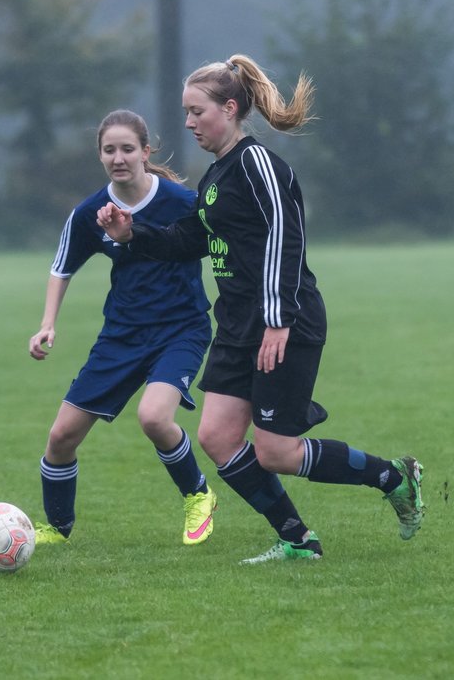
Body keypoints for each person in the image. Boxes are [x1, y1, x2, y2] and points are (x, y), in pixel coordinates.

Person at [97, 54, 425, 564]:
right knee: (217, 436)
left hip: (284, 322)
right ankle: (297, 538)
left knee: (277, 452)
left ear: (230, 109)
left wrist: (278, 318)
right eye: (185, 112)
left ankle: (393, 477)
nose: (188, 123)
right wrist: (131, 234)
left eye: (196, 111)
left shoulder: (258, 165)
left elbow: (286, 238)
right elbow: (191, 240)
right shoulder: (216, 176)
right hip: (238, 325)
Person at [29, 109, 217, 547]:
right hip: (123, 335)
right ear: (100, 155)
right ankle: (57, 528)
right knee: (61, 437)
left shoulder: (181, 202)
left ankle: (199, 495)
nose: (119, 157)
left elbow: (218, 245)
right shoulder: (91, 212)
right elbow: (61, 269)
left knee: (153, 417)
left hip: (180, 329)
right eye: (109, 150)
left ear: (145, 152)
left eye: (127, 149)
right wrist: (47, 324)